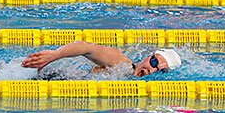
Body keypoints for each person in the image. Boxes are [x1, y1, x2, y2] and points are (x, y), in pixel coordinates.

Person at [21, 40, 181, 78]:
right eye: (154, 62)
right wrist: (55, 55)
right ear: (147, 57)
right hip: (54, 79)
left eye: (160, 71)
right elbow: (85, 47)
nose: (151, 69)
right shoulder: (122, 63)